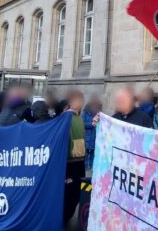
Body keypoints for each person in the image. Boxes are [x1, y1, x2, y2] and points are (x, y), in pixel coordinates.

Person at [64, 90, 86, 224]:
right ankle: (64, 217)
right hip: (69, 162)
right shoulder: (66, 117)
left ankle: (67, 216)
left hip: (80, 161)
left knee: (77, 192)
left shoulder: (80, 118)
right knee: (70, 193)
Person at [82, 95, 102, 171]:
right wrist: (91, 124)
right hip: (86, 136)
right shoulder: (85, 113)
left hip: (95, 137)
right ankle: (85, 167)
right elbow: (82, 124)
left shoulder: (99, 114)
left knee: (94, 153)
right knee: (86, 153)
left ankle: (92, 167)